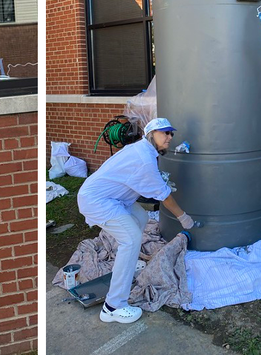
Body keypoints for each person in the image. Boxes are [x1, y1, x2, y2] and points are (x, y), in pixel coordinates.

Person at [76, 117, 197, 324]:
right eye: (165, 133)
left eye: (171, 133)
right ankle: (113, 306)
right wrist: (183, 217)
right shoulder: (144, 158)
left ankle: (127, 262)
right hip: (97, 200)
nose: (170, 137)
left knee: (141, 217)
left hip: (113, 198)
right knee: (131, 239)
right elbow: (165, 197)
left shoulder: (143, 150)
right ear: (151, 135)